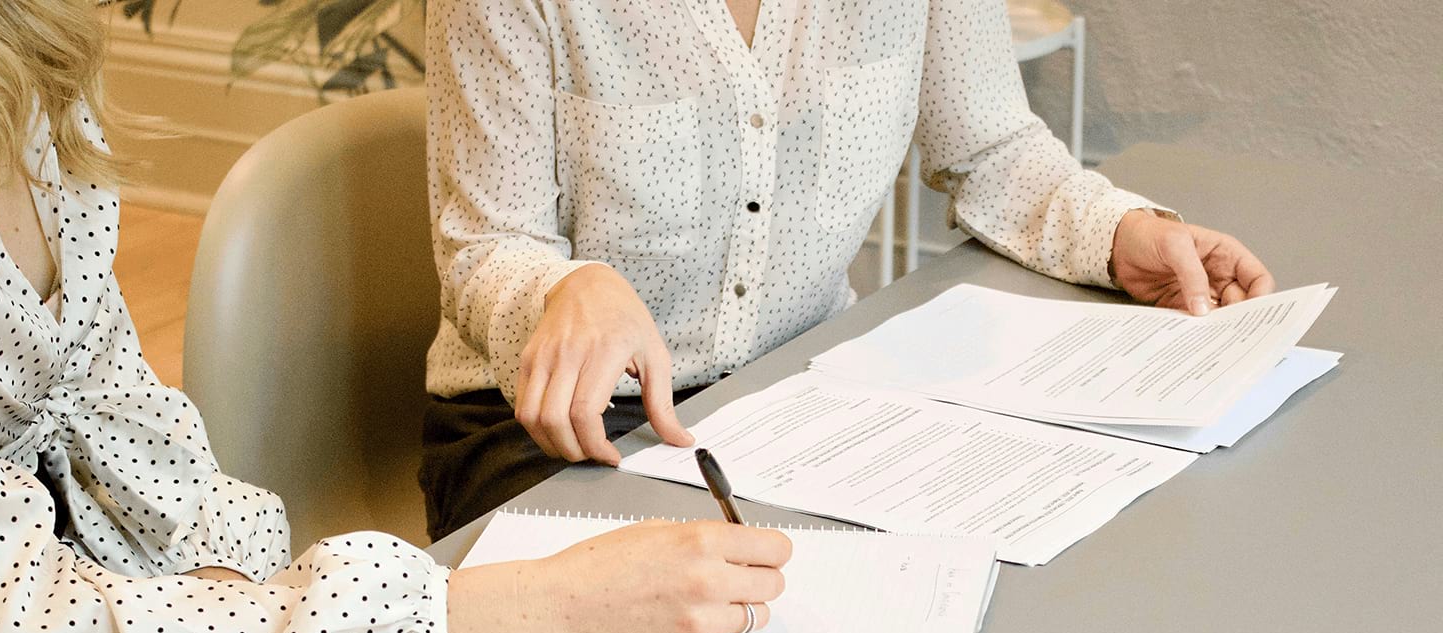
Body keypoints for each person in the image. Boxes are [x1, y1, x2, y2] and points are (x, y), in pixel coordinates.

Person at [0, 0, 790, 633]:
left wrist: (228, 602)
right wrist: (548, 611)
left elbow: (119, 417)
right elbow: (27, 631)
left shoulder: (17, 49)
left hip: (58, 625)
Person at [420, 0, 1278, 540]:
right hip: (547, 428)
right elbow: (484, 245)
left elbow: (991, 148)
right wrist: (565, 290)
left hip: (796, 403)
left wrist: (1120, 230)